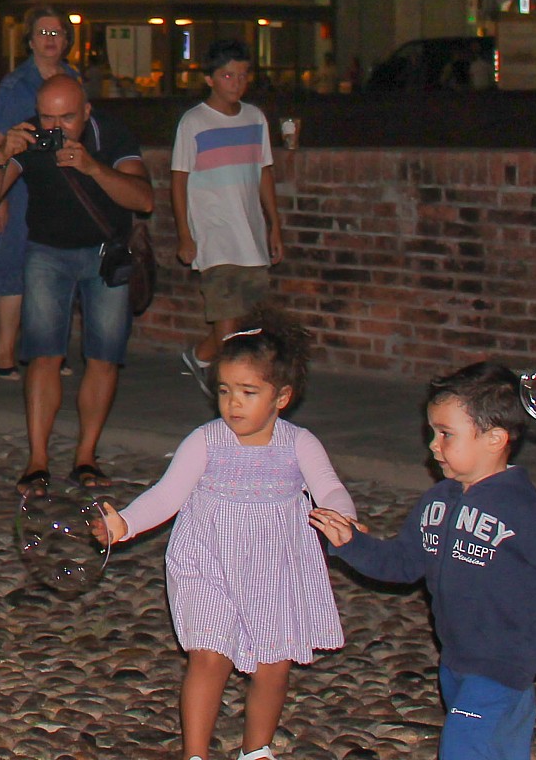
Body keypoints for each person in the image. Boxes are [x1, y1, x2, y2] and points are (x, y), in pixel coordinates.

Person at [99, 316, 355, 760]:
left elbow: (329, 486)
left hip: (275, 565)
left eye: (248, 393)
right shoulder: (206, 441)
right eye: (224, 390)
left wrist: (342, 516)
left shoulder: (298, 443)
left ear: (282, 398)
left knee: (273, 666)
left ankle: (256, 750)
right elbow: (167, 493)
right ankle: (194, 753)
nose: (234, 403)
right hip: (207, 560)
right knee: (208, 654)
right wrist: (126, 522)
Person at [313, 361, 536, 760]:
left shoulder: (523, 510)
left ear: (494, 438)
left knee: (464, 746)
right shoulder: (438, 501)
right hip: (457, 655)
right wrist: (352, 543)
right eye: (432, 433)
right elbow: (404, 561)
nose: (432, 445)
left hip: (502, 662)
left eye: (446, 434)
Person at [0, 72, 155, 491]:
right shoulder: (30, 137)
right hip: (47, 254)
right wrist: (2, 155)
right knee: (43, 356)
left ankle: (86, 456)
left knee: (104, 356)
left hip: (104, 255)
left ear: (86, 112)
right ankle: (38, 460)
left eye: (67, 119)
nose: (55, 128)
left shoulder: (110, 134)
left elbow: (144, 198)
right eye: (47, 117)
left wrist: (92, 167)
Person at [171, 40, 284, 392]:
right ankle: (226, 387)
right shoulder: (195, 122)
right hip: (215, 234)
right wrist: (186, 235)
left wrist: (274, 226)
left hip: (248, 232)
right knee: (228, 322)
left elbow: (264, 172)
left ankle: (200, 355)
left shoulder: (255, 118)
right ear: (210, 79)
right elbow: (179, 180)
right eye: (227, 75)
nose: (236, 82)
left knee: (244, 318)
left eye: (242, 75)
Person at [0, 6, 80, 378]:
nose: (50, 40)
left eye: (57, 33)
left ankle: (49, 350)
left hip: (61, 185)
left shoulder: (72, 79)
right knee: (14, 269)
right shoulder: (15, 86)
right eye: (43, 33)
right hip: (21, 185)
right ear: (30, 40)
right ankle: (3, 350)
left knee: (60, 267)